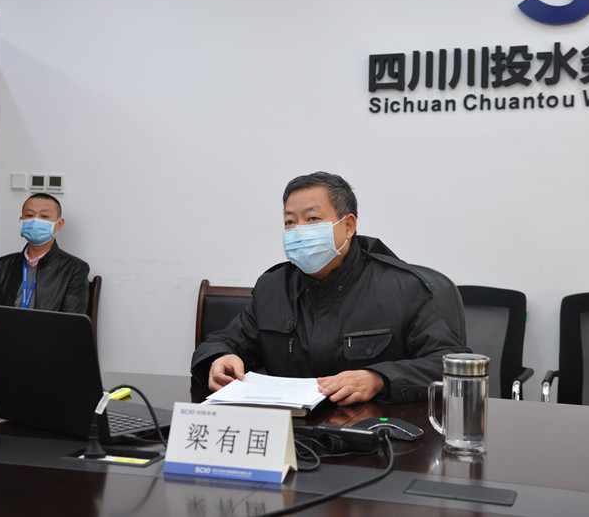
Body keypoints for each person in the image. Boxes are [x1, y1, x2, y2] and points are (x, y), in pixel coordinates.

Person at [191, 172, 468, 405]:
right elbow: (224, 341)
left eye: (312, 219)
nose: (298, 230)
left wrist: (379, 379)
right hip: (291, 433)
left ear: (348, 226)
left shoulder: (400, 287)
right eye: (290, 222)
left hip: (372, 434)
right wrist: (219, 358)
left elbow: (452, 365)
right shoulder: (273, 288)